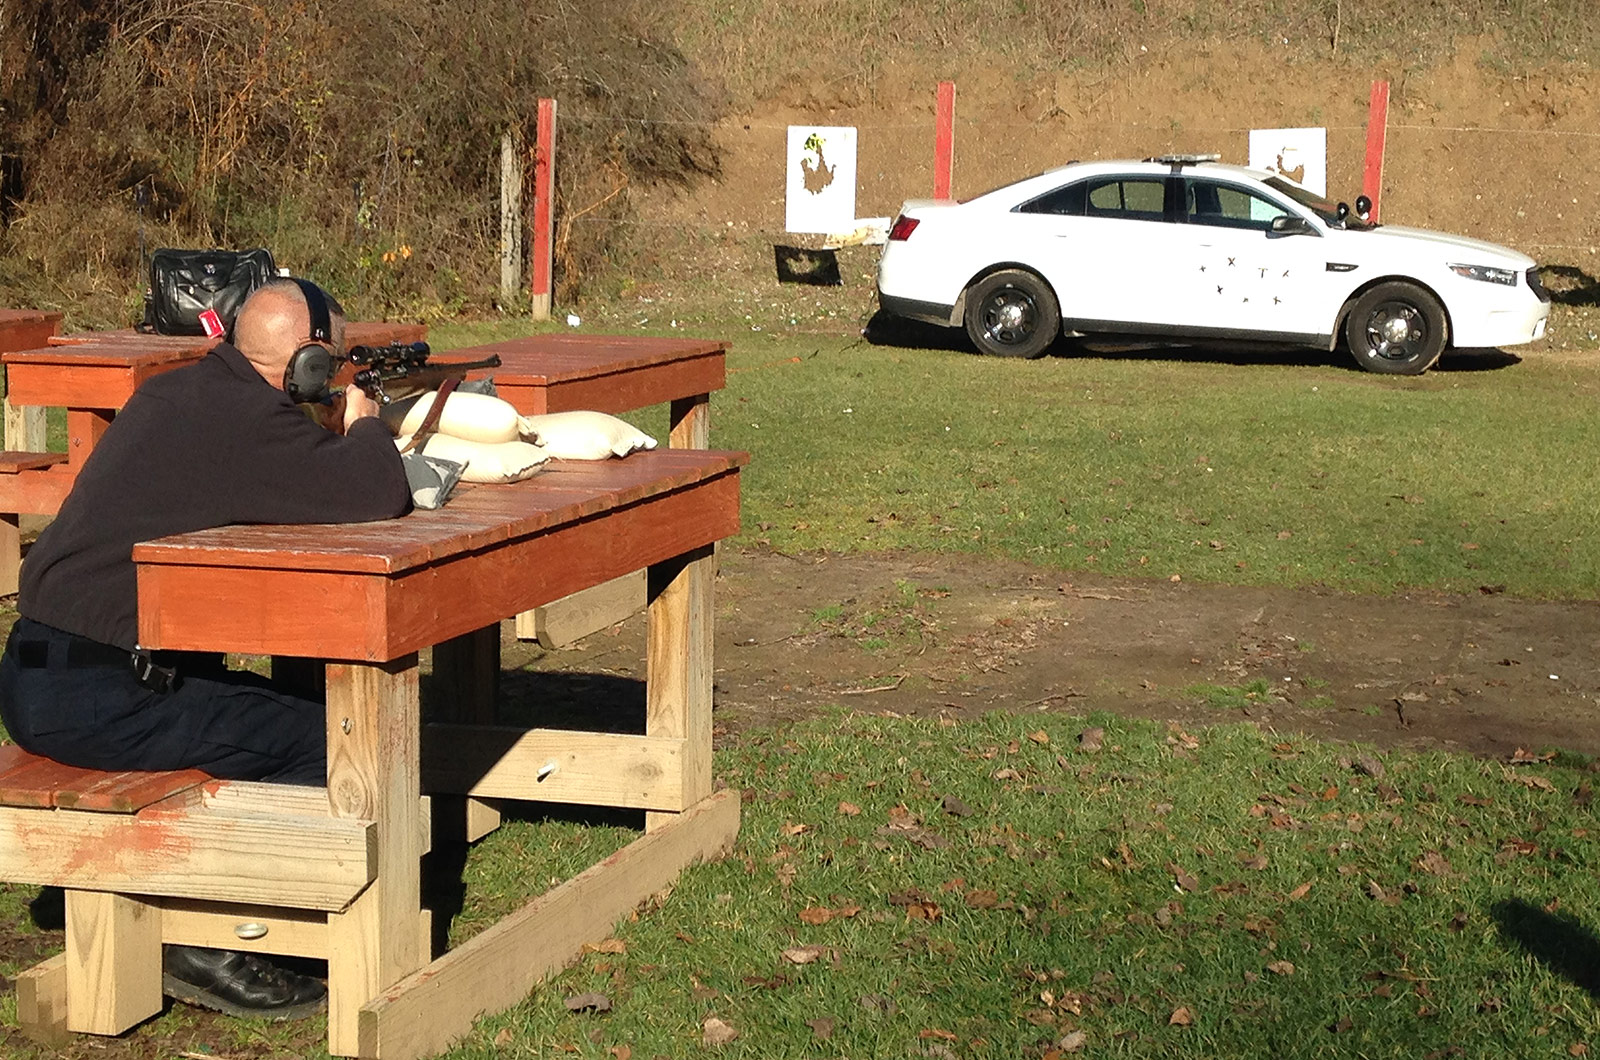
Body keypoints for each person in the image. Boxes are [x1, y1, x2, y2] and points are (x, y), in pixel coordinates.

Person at [0, 278, 412, 1020]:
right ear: (309, 360)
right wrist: (366, 424)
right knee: (333, 740)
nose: (336, 375)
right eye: (334, 360)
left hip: (43, 674)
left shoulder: (180, 393)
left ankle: (136, 882)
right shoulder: (247, 420)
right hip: (105, 695)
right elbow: (375, 490)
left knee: (280, 712)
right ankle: (208, 932)